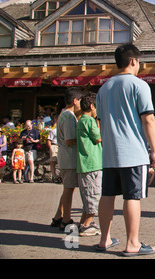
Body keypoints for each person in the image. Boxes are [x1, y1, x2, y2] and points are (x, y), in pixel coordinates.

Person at [96, 43, 155, 256]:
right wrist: (154, 151)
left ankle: (104, 240)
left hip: (110, 152)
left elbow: (101, 122)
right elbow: (148, 120)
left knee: (107, 195)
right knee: (132, 197)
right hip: (133, 152)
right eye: (139, 62)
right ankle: (133, 243)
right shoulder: (139, 85)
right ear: (134, 61)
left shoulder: (103, 88)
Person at [50, 87, 83, 230]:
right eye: (80, 101)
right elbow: (70, 140)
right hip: (69, 158)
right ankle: (66, 220)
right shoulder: (69, 117)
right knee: (69, 189)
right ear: (75, 101)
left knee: (68, 189)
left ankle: (58, 216)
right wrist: (84, 139)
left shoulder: (64, 115)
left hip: (66, 158)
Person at [76, 91, 102, 237]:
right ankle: (86, 226)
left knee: (88, 195)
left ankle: (84, 222)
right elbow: (98, 138)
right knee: (93, 194)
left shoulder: (81, 120)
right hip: (92, 163)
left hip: (84, 164)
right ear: (92, 106)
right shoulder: (89, 121)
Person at [47, 114, 61, 183]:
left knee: (61, 162)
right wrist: (51, 148)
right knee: (53, 162)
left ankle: (60, 176)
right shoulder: (53, 131)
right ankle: (54, 176)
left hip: (60, 146)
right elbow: (49, 140)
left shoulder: (62, 130)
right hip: (54, 145)